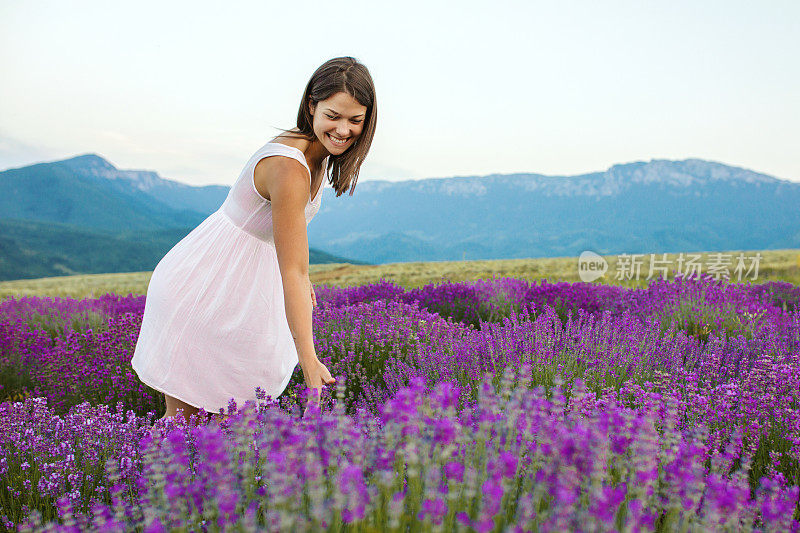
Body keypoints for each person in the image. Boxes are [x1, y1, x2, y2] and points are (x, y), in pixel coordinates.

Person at [130, 56, 377, 426]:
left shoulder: (317, 154)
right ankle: (149, 481)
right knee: (185, 425)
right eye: (333, 116)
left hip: (236, 287)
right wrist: (308, 361)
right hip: (206, 289)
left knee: (221, 428)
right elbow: (292, 271)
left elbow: (282, 235)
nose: (343, 130)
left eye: (355, 120)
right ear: (311, 106)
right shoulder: (289, 166)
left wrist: (302, 277)